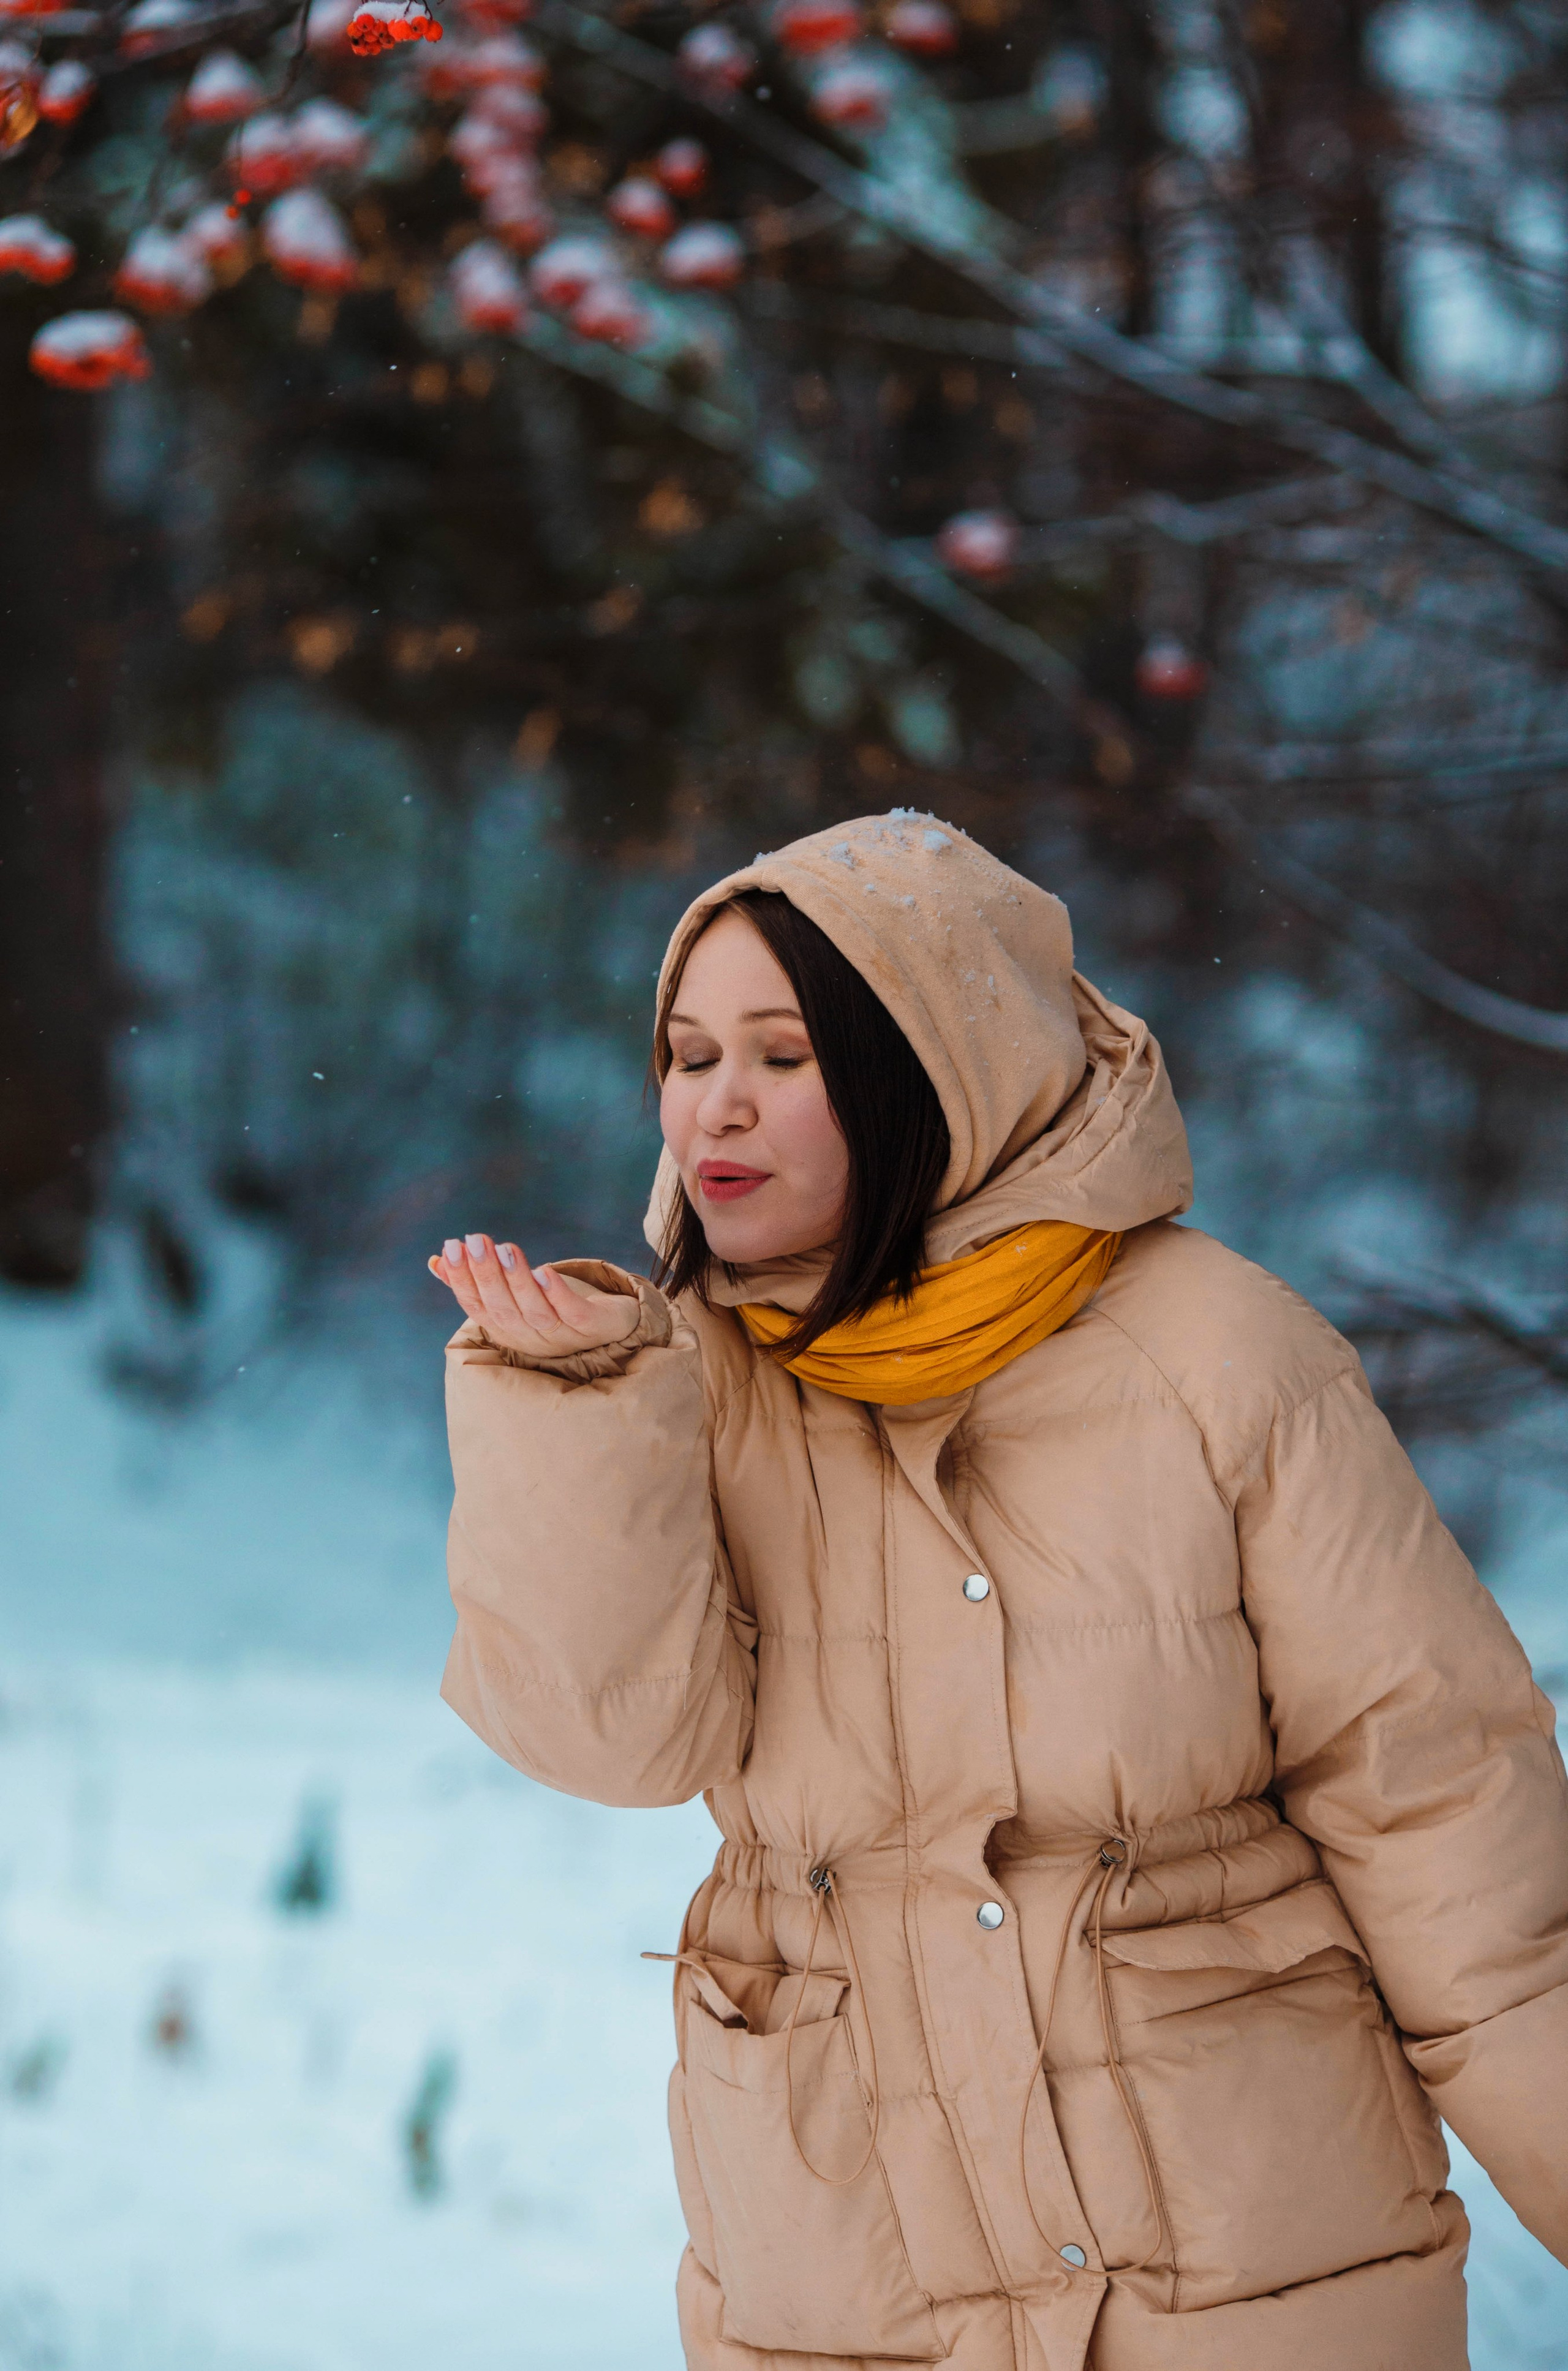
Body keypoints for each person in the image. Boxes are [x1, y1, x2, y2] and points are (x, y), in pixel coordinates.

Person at [428, 813, 1568, 2371]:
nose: (717, 1106)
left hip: (1245, 2267)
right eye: (688, 1056)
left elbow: (1437, 1803)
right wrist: (562, 1414)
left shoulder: (1216, 1354)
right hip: (849, 2283)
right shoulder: (680, 1381)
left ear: (930, 1071)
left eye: (784, 1052)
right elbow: (613, 1745)